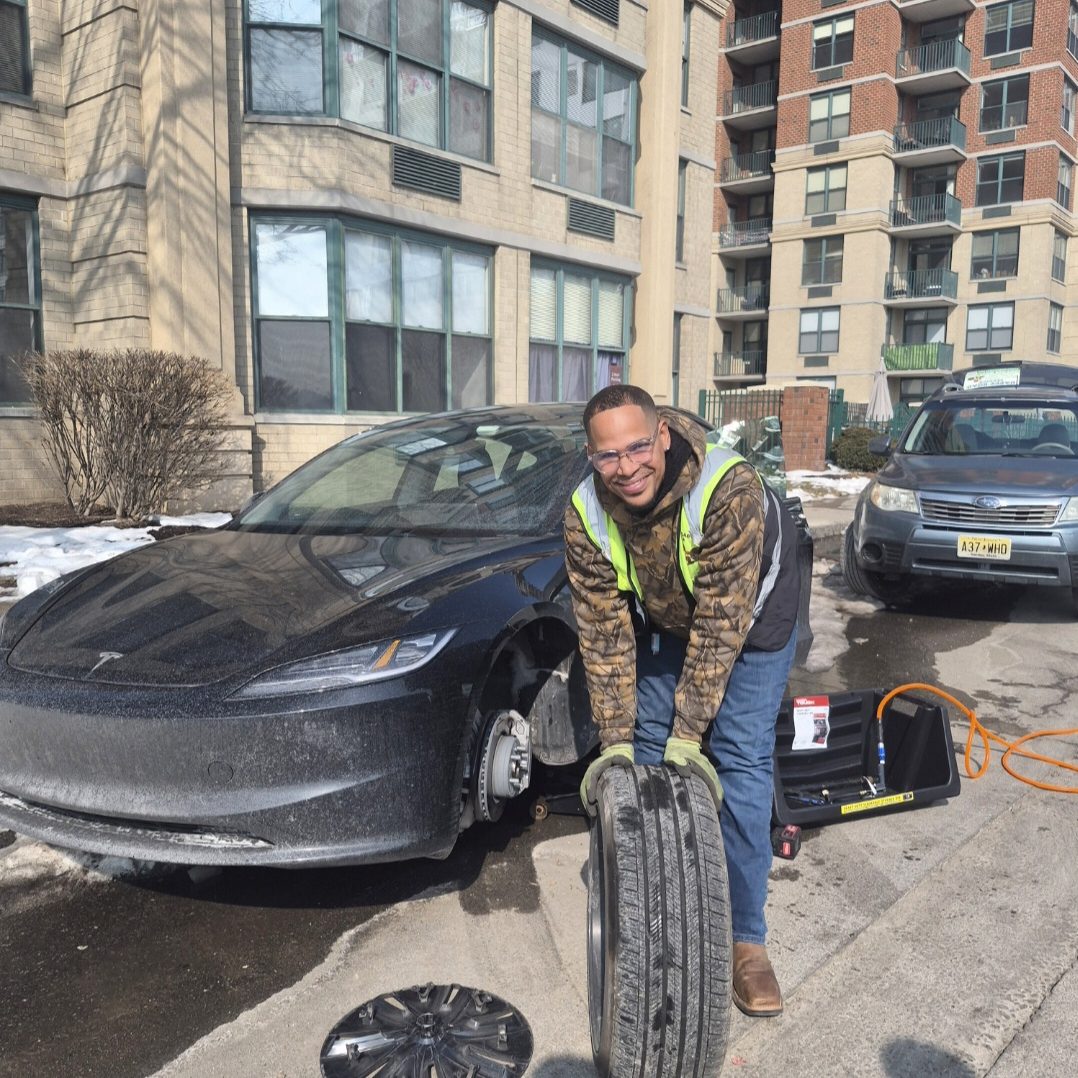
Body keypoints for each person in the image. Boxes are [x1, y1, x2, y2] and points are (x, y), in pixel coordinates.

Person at [564, 384, 802, 1018]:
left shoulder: (728, 490)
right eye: (608, 456)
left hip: (752, 619)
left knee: (738, 759)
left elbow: (722, 625)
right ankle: (653, 914)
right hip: (670, 615)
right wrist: (616, 739)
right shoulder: (586, 510)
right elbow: (603, 629)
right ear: (591, 456)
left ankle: (747, 942)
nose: (627, 467)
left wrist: (689, 735)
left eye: (638, 446)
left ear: (662, 435)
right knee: (642, 750)